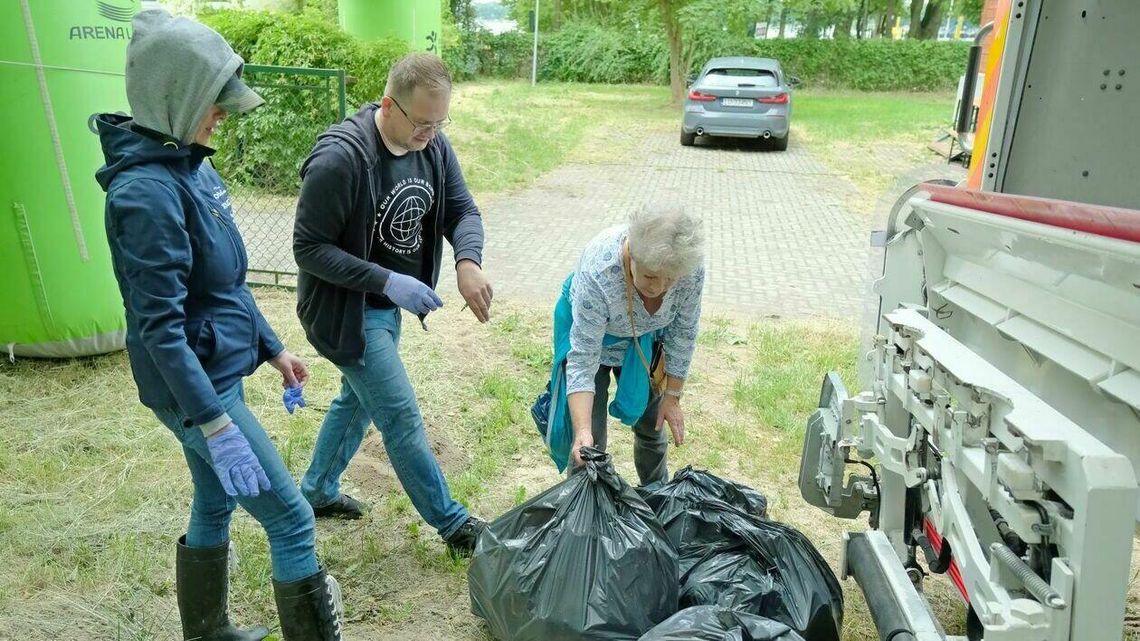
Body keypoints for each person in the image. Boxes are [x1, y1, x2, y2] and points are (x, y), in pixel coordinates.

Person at [95, 11, 342, 640]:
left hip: (218, 374)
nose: (222, 117)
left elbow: (226, 281)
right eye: (214, 102)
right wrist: (214, 422)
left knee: (214, 499)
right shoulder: (145, 195)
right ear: (176, 97)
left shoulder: (194, 166)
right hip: (192, 390)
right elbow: (161, 329)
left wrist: (274, 347)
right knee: (290, 518)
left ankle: (207, 633)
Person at [293, 53, 493, 556]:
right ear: (389, 105)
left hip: (384, 305)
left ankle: (315, 491)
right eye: (423, 123)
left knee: (358, 402)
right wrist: (386, 280)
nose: (431, 134)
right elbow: (308, 249)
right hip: (343, 310)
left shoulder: (432, 147)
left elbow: (462, 209)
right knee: (399, 415)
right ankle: (453, 525)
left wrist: (467, 260)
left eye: (440, 122)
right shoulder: (342, 158)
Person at [539, 205, 705, 484]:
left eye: (670, 280)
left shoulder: (689, 268)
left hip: (643, 341)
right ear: (631, 257)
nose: (660, 288)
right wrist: (581, 430)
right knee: (589, 445)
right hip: (593, 339)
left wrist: (672, 397)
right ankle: (585, 513)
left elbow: (683, 332)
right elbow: (583, 359)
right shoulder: (599, 270)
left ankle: (658, 495)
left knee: (653, 425)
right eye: (651, 276)